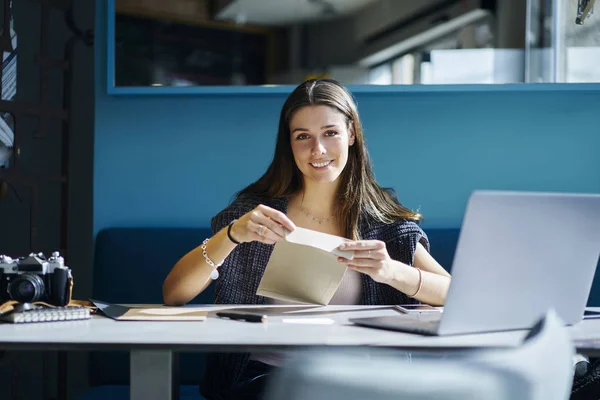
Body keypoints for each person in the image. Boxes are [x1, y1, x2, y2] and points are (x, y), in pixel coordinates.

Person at [163, 78, 452, 400]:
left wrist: (390, 271)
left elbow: (454, 295)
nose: (318, 150)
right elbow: (174, 295)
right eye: (303, 137)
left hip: (362, 376)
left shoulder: (384, 224)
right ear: (289, 144)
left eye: (331, 133)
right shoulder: (255, 214)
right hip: (265, 379)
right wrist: (231, 235)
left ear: (352, 135)